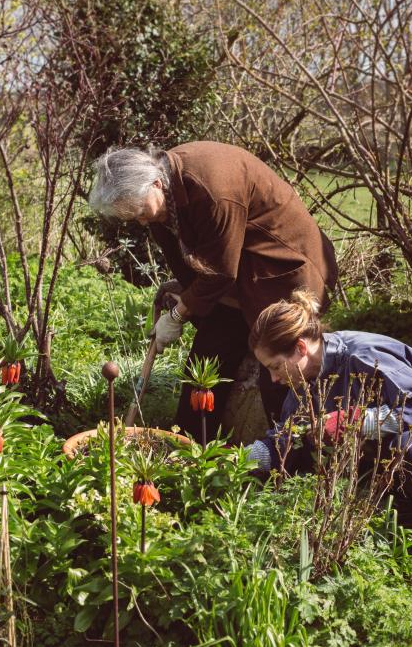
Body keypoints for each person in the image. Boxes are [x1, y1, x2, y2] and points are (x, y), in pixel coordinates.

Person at [245, 290, 412, 586]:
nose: (273, 378)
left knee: (407, 449)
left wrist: (356, 421)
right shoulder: (308, 381)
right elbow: (288, 439)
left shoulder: (362, 355)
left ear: (300, 347)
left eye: (274, 366)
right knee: (336, 450)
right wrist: (230, 459)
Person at [88, 142, 338, 438]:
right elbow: (199, 264)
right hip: (241, 273)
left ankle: (288, 459)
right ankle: (190, 447)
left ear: (155, 182)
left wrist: (178, 315)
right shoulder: (161, 198)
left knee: (277, 370)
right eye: (134, 217)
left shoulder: (212, 189)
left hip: (286, 273)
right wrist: (183, 291)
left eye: (141, 211)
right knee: (204, 364)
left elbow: (220, 273)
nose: (142, 220)